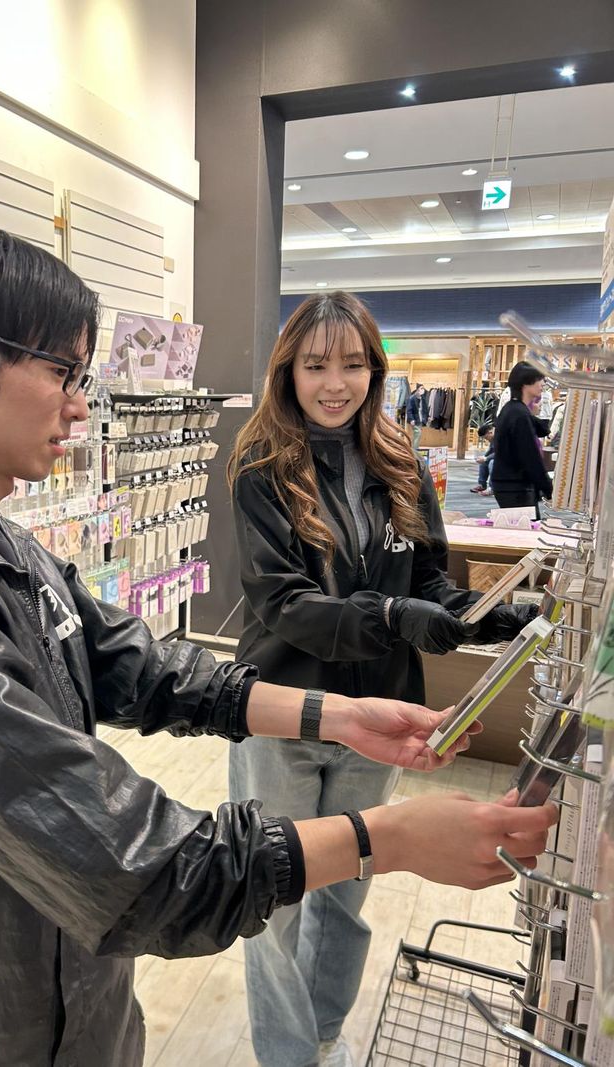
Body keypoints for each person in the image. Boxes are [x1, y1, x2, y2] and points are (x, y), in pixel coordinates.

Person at [0, 229, 556, 1067]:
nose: (79, 407)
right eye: (61, 371)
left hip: (75, 999)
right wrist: (390, 837)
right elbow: (138, 864)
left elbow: (142, 667)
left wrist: (337, 715)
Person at [227, 291, 541, 1067]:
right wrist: (395, 615)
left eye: (351, 364)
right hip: (287, 711)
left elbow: (428, 581)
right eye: (315, 365)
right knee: (275, 900)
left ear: (375, 368)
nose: (334, 383)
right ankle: (289, 1057)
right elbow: (285, 604)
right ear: (288, 372)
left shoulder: (402, 463)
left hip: (382, 716)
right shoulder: (262, 469)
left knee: (348, 894)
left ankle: (322, 1035)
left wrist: (487, 615)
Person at [490, 362, 553, 518]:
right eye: (539, 379)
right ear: (526, 382)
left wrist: (532, 412)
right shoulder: (518, 414)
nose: (543, 384)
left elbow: (543, 430)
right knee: (526, 528)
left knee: (524, 526)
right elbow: (530, 456)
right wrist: (548, 488)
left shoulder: (515, 409)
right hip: (514, 485)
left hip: (510, 482)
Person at [470, 423, 495, 494]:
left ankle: (492, 488)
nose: (486, 440)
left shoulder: (501, 436)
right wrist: (484, 457)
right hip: (499, 457)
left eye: (486, 438)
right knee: (483, 462)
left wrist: (486, 458)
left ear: (490, 432)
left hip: (508, 458)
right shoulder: (493, 438)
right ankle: (482, 484)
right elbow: (491, 450)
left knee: (492, 463)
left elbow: (500, 452)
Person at [406, 382, 426, 448]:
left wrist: (427, 417)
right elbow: (409, 410)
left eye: (423, 388)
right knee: (418, 433)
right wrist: (411, 419)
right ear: (417, 389)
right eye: (421, 388)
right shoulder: (412, 398)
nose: (423, 390)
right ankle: (415, 450)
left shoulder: (422, 398)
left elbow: (424, 409)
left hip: (420, 419)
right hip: (414, 419)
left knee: (417, 435)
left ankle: (415, 448)